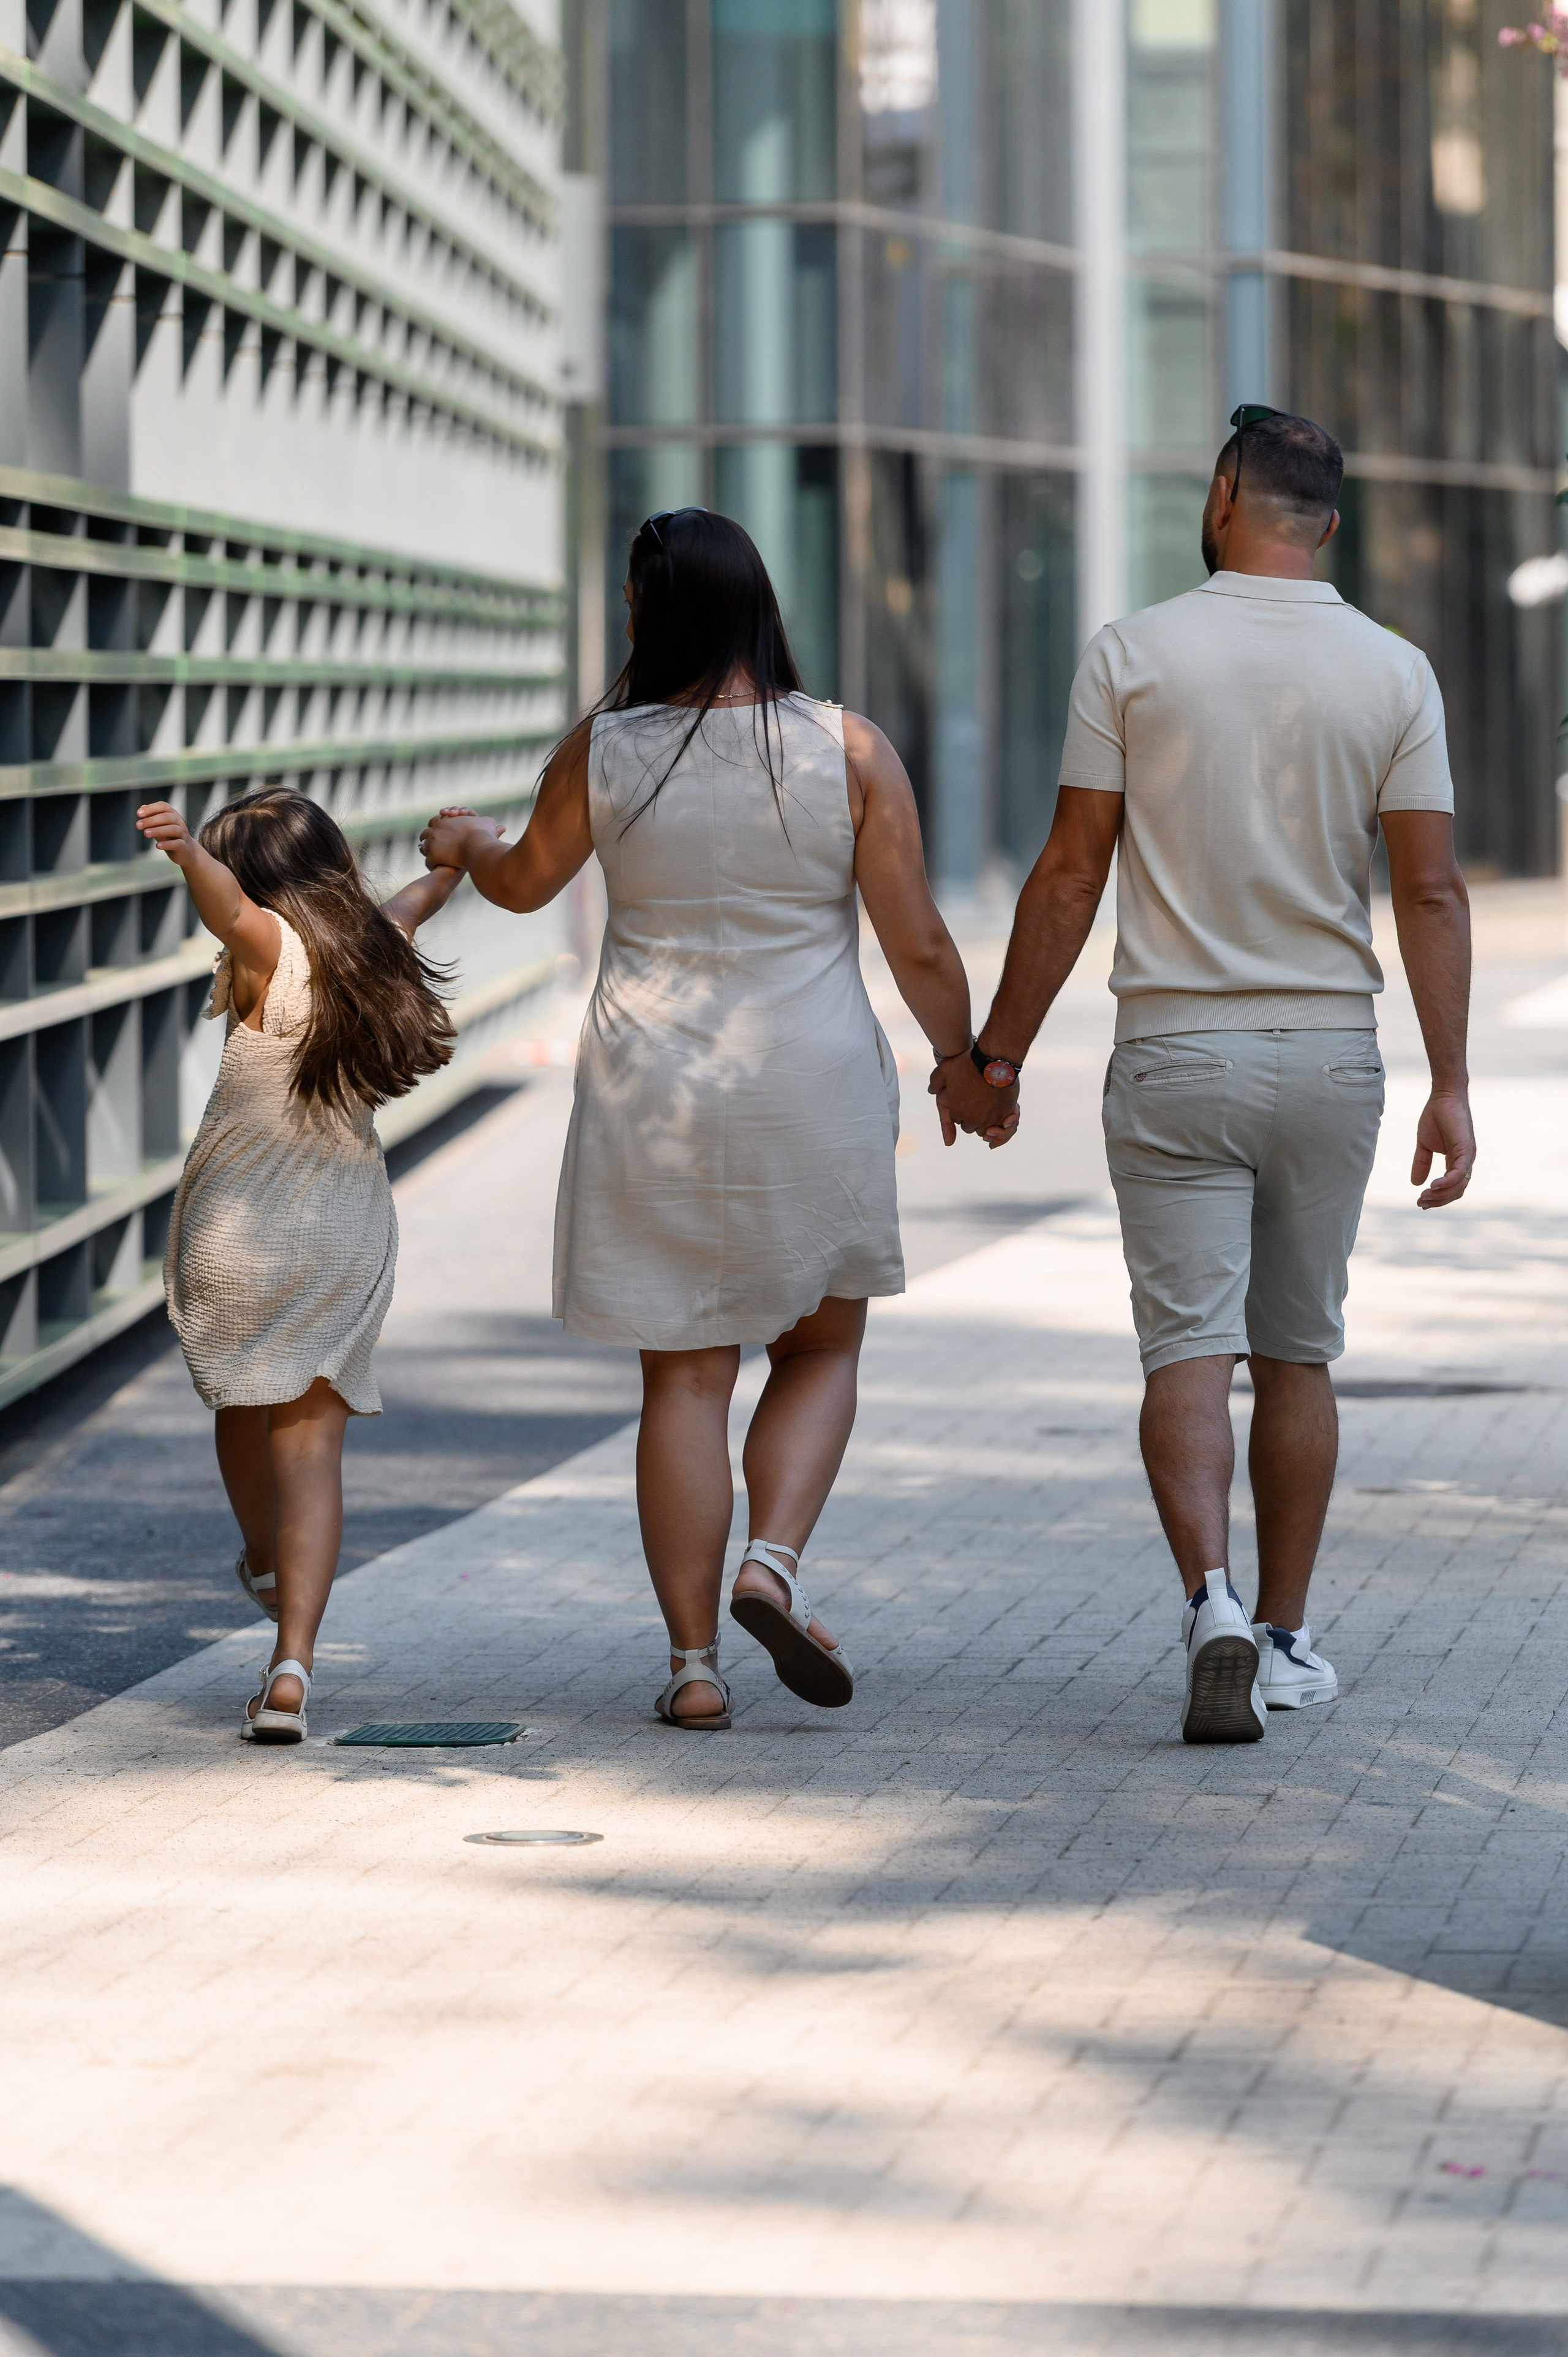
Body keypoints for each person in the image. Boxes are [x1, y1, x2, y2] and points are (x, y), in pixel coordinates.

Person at [935, 408, 1475, 1744]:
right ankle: (1286, 1640)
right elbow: (1430, 889)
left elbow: (1068, 872)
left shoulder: (1132, 653)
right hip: (1328, 1054)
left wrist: (994, 1057)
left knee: (1186, 1349)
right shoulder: (1393, 670)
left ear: (1223, 497)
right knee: (1298, 1356)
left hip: (1176, 1050)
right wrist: (1449, 1081)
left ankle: (1212, 1600)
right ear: (1328, 525)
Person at [420, 508, 974, 1730]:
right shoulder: (849, 749)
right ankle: (770, 1561)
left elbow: (521, 885)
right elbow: (918, 940)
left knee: (683, 1374)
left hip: (650, 1083)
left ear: (645, 616)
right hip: (810, 1079)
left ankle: (689, 1664)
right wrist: (965, 1061)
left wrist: (466, 845)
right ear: (758, 607)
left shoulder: (601, 752)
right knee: (820, 1347)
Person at [135, 786, 481, 1744]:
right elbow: (417, 901)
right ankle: (291, 1666)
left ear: (259, 885)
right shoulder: (373, 950)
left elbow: (224, 907)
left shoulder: (267, 951)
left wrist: (182, 856)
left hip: (241, 1231)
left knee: (242, 1407)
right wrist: (452, 863)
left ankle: (261, 1552)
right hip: (342, 1231)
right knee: (314, 1450)